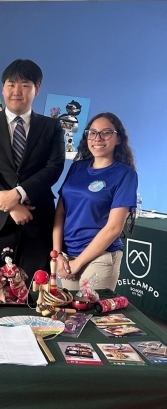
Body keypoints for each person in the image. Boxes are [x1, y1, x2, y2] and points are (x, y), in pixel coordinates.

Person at [0, 59, 65, 288]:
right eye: (11, 84)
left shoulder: (52, 127)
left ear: (37, 89)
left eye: (25, 85)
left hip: (36, 220)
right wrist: (10, 204)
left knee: (34, 289)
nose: (16, 91)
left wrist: (19, 193)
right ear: (3, 88)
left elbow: (54, 167)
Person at [53, 112, 138, 291]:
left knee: (92, 309)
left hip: (100, 257)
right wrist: (57, 254)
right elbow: (60, 212)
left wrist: (78, 262)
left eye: (106, 133)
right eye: (92, 132)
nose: (98, 138)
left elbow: (114, 228)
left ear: (118, 139)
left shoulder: (125, 174)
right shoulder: (77, 167)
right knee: (69, 309)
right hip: (67, 255)